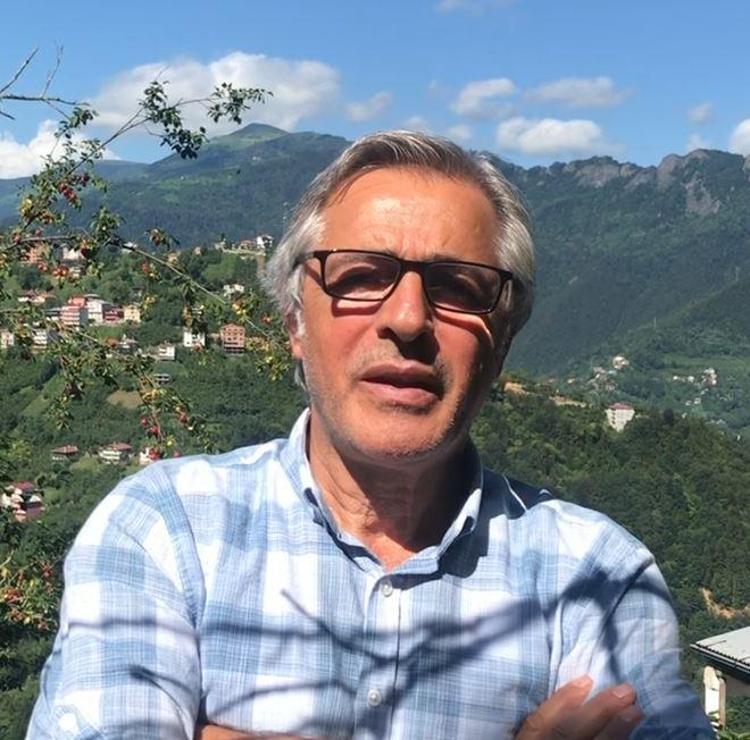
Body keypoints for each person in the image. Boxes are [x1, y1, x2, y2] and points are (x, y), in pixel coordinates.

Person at [27, 131, 713, 739]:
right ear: (296, 324)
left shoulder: (598, 577)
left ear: (502, 340)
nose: (408, 319)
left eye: (458, 286)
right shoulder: (165, 529)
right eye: (362, 276)